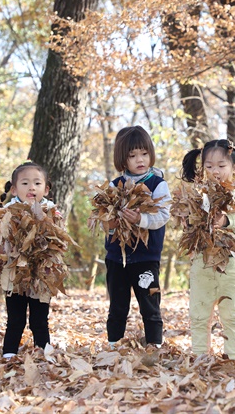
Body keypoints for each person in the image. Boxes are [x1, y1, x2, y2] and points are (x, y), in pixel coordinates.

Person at [181, 139, 235, 360]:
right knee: (199, 312)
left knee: (232, 313)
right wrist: (189, 222)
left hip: (233, 262)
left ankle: (233, 357)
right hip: (202, 261)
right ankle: (200, 356)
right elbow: (187, 219)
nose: (214, 171)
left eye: (221, 166)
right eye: (208, 166)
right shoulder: (198, 194)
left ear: (234, 167)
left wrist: (225, 220)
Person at [105, 126, 171, 348]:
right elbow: (104, 217)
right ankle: (114, 345)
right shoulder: (114, 186)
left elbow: (163, 215)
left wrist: (140, 219)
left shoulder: (157, 184)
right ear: (122, 159)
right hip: (117, 257)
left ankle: (155, 346)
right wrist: (111, 224)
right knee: (117, 305)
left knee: (149, 303)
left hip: (146, 257)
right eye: (132, 156)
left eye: (144, 153)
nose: (139, 159)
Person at [0, 161, 59, 358]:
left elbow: (59, 239)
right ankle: (9, 353)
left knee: (40, 318)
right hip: (14, 274)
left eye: (37, 184)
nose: (32, 187)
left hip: (41, 274)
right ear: (13, 189)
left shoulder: (52, 212)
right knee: (15, 317)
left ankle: (43, 351)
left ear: (46, 189)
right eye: (25, 183)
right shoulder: (7, 213)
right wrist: (2, 250)